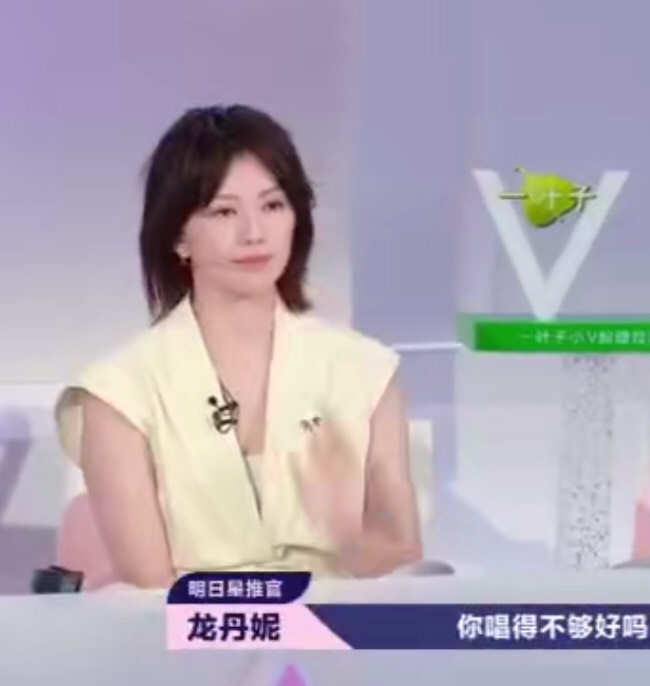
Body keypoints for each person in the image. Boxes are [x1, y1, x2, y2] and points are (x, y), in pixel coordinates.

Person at [54, 105, 424, 588]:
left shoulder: (365, 372)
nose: (254, 233)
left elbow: (401, 560)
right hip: (190, 632)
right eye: (224, 211)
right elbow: (150, 596)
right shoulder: (118, 393)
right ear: (178, 236)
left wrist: (342, 531)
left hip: (341, 628)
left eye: (273, 206)